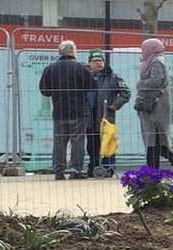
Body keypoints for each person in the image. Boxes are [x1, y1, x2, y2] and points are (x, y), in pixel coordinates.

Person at [38, 39, 93, 180]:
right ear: (74, 52)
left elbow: (44, 90)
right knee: (78, 141)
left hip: (59, 111)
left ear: (59, 52)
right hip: (79, 110)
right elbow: (92, 86)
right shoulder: (81, 68)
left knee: (59, 142)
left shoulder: (51, 68)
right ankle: (75, 170)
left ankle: (58, 170)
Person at [136, 37, 173, 172]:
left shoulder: (156, 62)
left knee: (154, 136)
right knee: (153, 137)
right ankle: (170, 160)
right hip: (150, 104)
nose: (142, 50)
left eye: (144, 48)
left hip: (156, 105)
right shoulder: (150, 61)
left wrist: (140, 84)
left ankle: (153, 170)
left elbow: (156, 81)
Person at [85, 50, 131, 177]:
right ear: (90, 63)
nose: (99, 63)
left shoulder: (113, 77)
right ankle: (93, 168)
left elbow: (126, 93)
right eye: (95, 61)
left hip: (106, 114)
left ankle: (108, 168)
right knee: (91, 143)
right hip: (89, 115)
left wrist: (115, 105)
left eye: (101, 60)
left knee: (108, 142)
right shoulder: (84, 76)